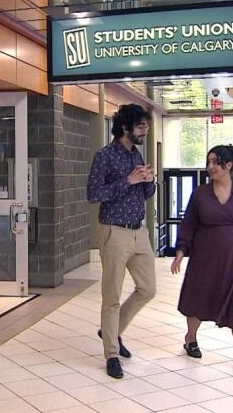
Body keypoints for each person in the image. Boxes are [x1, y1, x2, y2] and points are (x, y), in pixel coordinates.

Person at [171, 145, 233, 379]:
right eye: (209, 162)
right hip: (205, 258)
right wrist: (181, 250)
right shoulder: (201, 194)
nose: (210, 167)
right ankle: (190, 338)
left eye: (215, 162)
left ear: (229, 165)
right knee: (197, 297)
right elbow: (189, 223)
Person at [87, 104, 156, 379]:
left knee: (148, 289)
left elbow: (146, 193)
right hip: (114, 231)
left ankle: (111, 331)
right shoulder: (104, 156)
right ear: (125, 128)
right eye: (141, 126)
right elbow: (93, 194)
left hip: (140, 232)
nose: (145, 130)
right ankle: (111, 353)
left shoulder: (136, 154)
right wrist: (128, 180)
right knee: (112, 296)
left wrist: (149, 181)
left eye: (146, 126)